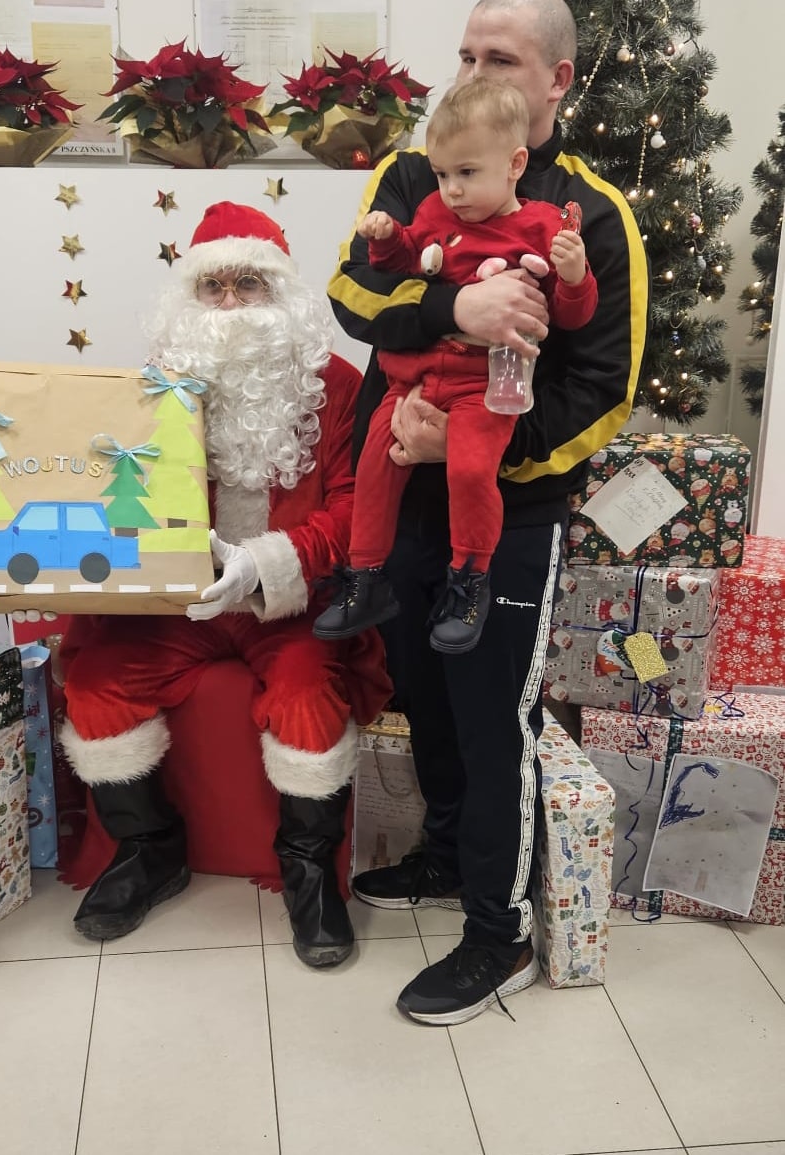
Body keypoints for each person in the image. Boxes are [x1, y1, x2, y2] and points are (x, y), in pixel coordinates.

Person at [328, 0, 649, 1025]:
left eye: (499, 57)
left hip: (509, 511)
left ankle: (496, 930)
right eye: (465, 53)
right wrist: (450, 309)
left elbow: (602, 390)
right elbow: (350, 293)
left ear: (557, 80)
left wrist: (479, 450)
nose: (471, 72)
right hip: (401, 494)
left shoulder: (591, 212)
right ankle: (443, 853)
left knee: (489, 713)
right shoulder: (413, 170)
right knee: (423, 692)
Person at [59, 201, 391, 968]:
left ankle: (308, 867)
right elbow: (112, 491)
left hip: (290, 601)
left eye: (250, 283)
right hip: (183, 604)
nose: (233, 302)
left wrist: (268, 562)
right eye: (215, 286)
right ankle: (150, 848)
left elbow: (356, 511)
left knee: (307, 696)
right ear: (191, 297)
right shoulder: (154, 386)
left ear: (282, 293)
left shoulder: (337, 386)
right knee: (98, 684)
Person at [314, 76, 597, 654]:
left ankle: (470, 581)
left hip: (486, 386)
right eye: (442, 174)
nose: (452, 190)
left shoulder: (544, 226)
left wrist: (573, 276)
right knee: (374, 463)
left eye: (466, 173)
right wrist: (387, 238)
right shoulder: (431, 211)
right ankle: (366, 578)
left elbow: (572, 318)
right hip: (412, 379)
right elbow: (397, 264)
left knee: (469, 471)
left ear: (515, 164)